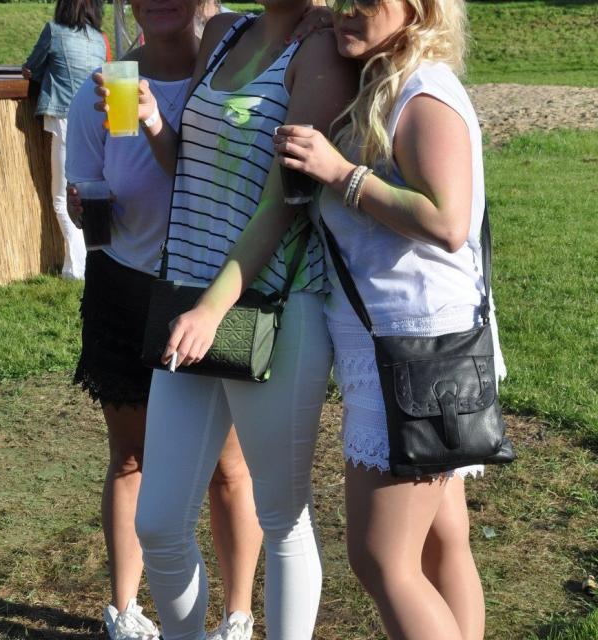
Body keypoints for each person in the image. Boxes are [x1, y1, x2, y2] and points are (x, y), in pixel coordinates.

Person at [91, 2, 356, 637]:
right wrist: (153, 121)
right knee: (159, 522)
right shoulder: (223, 30)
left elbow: (285, 200)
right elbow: (185, 163)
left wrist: (214, 309)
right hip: (189, 297)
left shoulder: (319, 50)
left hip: (273, 307)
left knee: (282, 515)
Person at [272, 1, 508, 639]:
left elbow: (447, 222)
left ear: (417, 8)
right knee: (440, 540)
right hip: (409, 344)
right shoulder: (385, 79)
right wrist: (318, 23)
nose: (348, 8)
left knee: (381, 559)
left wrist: (340, 174)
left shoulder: (423, 92)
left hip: (414, 351)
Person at [65, 0, 273, 638]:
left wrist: (157, 121)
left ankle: (237, 616)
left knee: (228, 468)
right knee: (131, 456)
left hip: (205, 291)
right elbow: (87, 201)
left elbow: (213, 179)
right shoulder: (104, 90)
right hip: (125, 289)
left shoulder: (231, 75)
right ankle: (124, 609)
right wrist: (84, 209)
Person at [22, 0, 108, 280]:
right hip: (97, 120)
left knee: (63, 197)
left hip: (64, 117)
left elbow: (31, 68)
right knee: (91, 192)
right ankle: (96, 260)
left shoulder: (54, 31)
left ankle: (77, 268)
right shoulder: (99, 38)